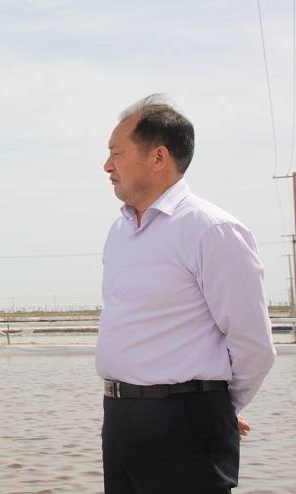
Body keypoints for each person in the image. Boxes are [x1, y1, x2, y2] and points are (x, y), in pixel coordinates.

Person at [96, 94, 276, 493]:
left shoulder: (211, 229)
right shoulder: (120, 231)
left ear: (158, 157)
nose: (107, 166)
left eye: (116, 153)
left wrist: (214, 409)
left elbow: (254, 345)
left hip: (186, 424)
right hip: (120, 418)